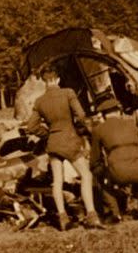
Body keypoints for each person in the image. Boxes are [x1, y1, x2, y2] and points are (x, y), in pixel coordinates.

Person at [25, 65, 104, 230]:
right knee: (86, 175)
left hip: (53, 142)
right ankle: (92, 215)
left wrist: (47, 133)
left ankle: (62, 217)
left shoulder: (40, 101)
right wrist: (83, 129)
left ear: (45, 82)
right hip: (70, 139)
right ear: (58, 79)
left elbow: (31, 127)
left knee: (57, 181)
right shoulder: (68, 93)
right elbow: (81, 116)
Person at [90, 98, 138, 221]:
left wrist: (98, 168)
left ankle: (114, 212)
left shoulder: (98, 130)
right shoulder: (132, 125)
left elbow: (95, 158)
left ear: (103, 115)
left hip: (119, 170)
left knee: (97, 175)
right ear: (119, 112)